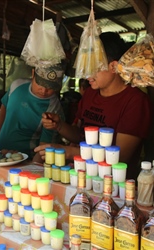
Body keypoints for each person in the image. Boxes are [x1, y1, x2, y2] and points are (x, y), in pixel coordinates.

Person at [34, 32, 152, 181]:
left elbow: (120, 157)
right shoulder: (90, 94)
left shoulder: (136, 101)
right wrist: (59, 126)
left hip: (112, 186)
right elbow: (81, 136)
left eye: (94, 67)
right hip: (81, 176)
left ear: (113, 66)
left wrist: (69, 152)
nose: (87, 74)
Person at [0, 64, 65, 160]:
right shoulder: (17, 86)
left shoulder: (53, 106)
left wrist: (31, 167)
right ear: (33, 74)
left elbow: (44, 147)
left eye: (50, 87)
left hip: (25, 159)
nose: (44, 91)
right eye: (40, 83)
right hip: (0, 152)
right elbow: (4, 106)